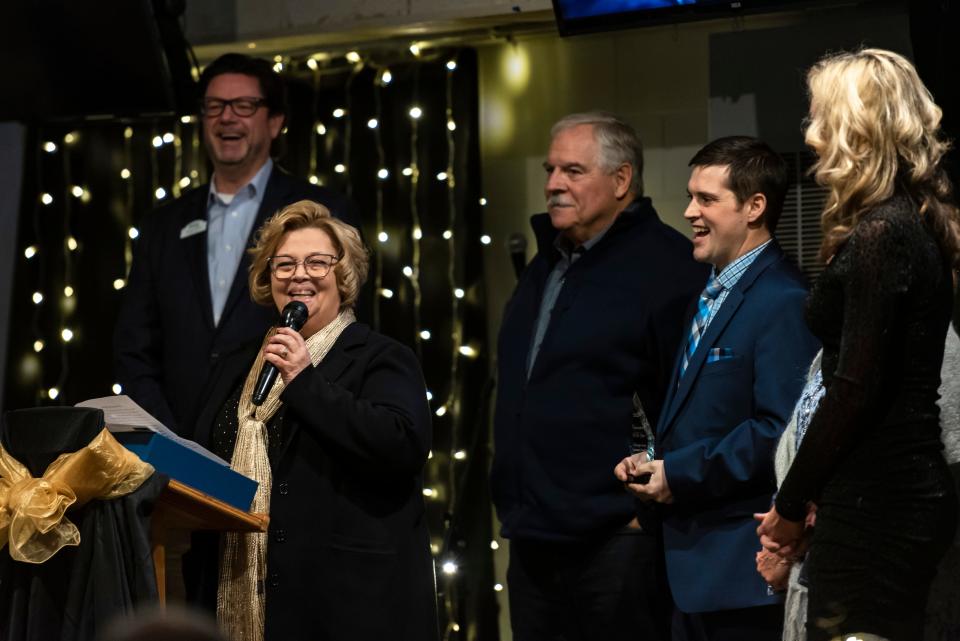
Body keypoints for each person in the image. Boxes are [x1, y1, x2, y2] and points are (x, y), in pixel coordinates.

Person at [757, 48, 960, 641]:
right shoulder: (906, 221)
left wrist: (790, 505)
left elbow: (854, 390)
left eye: (819, 117)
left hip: (882, 501)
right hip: (883, 492)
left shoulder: (883, 233)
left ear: (851, 129)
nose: (812, 136)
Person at [491, 111, 707, 641]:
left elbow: (690, 403)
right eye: (550, 170)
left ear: (622, 180)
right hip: (535, 538)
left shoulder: (670, 268)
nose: (553, 185)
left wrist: (645, 516)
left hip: (618, 541)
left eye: (572, 170)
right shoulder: (547, 265)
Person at [191, 200, 437, 641]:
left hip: (346, 605)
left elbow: (401, 447)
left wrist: (305, 381)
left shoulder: (381, 358)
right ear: (268, 278)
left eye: (317, 263)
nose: (298, 275)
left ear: (343, 276)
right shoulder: (235, 366)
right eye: (283, 264)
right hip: (234, 589)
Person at [616, 135, 819, 641]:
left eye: (706, 199)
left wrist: (678, 474)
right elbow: (701, 413)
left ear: (755, 207)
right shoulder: (710, 291)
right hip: (693, 569)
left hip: (740, 571)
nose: (688, 211)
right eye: (690, 196)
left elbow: (779, 430)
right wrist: (650, 459)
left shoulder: (784, 299)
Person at [114, 53, 357, 437]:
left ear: (275, 122)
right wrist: (168, 439)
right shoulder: (162, 224)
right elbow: (134, 348)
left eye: (244, 105)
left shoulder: (318, 215)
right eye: (214, 106)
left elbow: (340, 334)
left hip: (277, 438)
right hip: (173, 445)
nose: (226, 117)